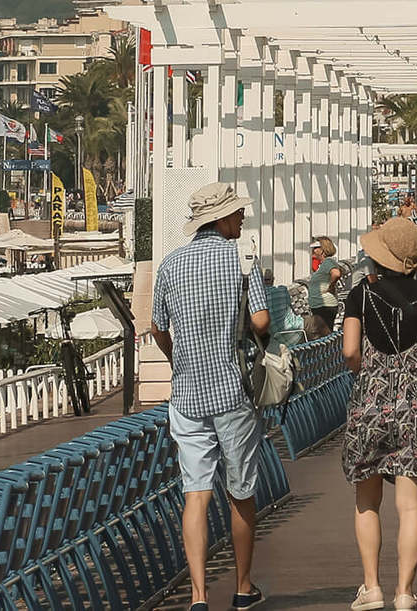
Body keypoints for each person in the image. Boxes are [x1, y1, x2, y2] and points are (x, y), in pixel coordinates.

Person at [150, 181, 272, 611]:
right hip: (232, 390)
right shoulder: (241, 262)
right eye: (238, 213)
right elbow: (260, 322)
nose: (243, 217)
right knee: (241, 491)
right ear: (219, 219)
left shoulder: (170, 265)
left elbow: (157, 326)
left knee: (196, 493)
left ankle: (199, 596)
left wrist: (177, 360)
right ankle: (242, 588)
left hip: (186, 394)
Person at [342, 216, 417, 611]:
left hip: (368, 406)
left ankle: (371, 587)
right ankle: (405, 592)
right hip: (414, 410)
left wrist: (368, 374)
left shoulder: (361, 296)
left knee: (367, 501)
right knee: (410, 506)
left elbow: (351, 351)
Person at [309, 246, 352, 338]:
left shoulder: (328, 262)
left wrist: (331, 286)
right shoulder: (325, 263)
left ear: (323, 250)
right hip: (320, 305)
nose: (313, 249)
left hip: (324, 305)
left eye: (316, 247)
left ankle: (329, 351)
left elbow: (336, 273)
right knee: (324, 333)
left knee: (324, 334)